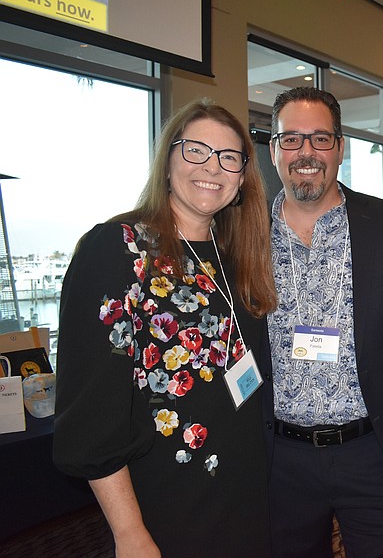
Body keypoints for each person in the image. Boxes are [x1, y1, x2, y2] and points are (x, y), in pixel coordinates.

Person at [53, 99, 277, 556]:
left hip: (248, 495)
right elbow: (92, 412)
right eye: (196, 150)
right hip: (165, 505)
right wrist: (129, 532)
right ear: (168, 161)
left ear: (241, 179)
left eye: (228, 157)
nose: (212, 167)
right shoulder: (116, 251)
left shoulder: (238, 255)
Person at [265, 87, 383, 557]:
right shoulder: (241, 234)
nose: (306, 152)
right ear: (273, 150)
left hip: (376, 454)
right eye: (292, 139)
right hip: (276, 461)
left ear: (341, 148)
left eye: (321, 139)